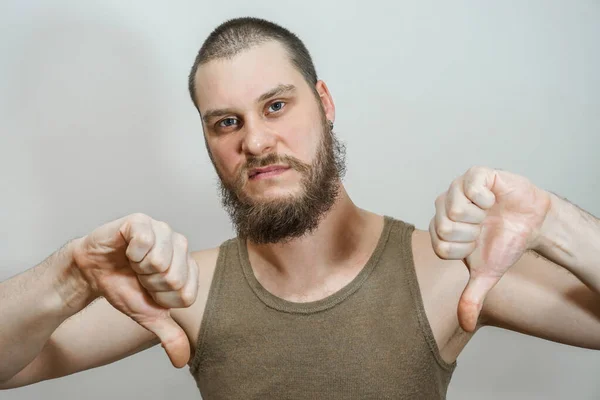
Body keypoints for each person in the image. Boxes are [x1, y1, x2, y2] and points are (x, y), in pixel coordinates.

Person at [1, 16, 598, 399]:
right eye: (227, 123)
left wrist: (556, 224)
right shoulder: (184, 289)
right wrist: (69, 276)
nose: (256, 142)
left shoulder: (448, 273)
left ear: (323, 102)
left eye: (277, 106)